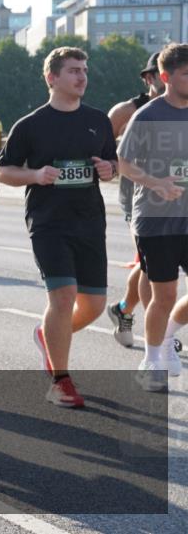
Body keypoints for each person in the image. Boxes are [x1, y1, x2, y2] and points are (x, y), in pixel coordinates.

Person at [0, 47, 117, 408]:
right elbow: (4, 171)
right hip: (49, 222)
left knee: (95, 305)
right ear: (52, 78)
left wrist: (110, 170)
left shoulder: (98, 120)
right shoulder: (31, 124)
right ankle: (60, 381)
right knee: (63, 297)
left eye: (84, 70)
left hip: (90, 221)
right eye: (73, 71)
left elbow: (112, 162)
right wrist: (35, 175)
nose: (81, 77)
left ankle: (45, 334)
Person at [117, 42, 188, 391]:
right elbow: (123, 162)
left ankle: (168, 338)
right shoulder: (147, 115)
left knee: (170, 299)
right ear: (166, 76)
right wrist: (156, 182)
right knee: (164, 295)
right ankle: (152, 359)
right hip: (155, 219)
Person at [106, 51, 165, 347]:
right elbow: (101, 148)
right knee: (152, 263)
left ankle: (124, 309)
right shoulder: (127, 111)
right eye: (165, 71)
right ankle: (160, 334)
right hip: (139, 197)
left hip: (178, 197)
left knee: (149, 263)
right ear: (150, 77)